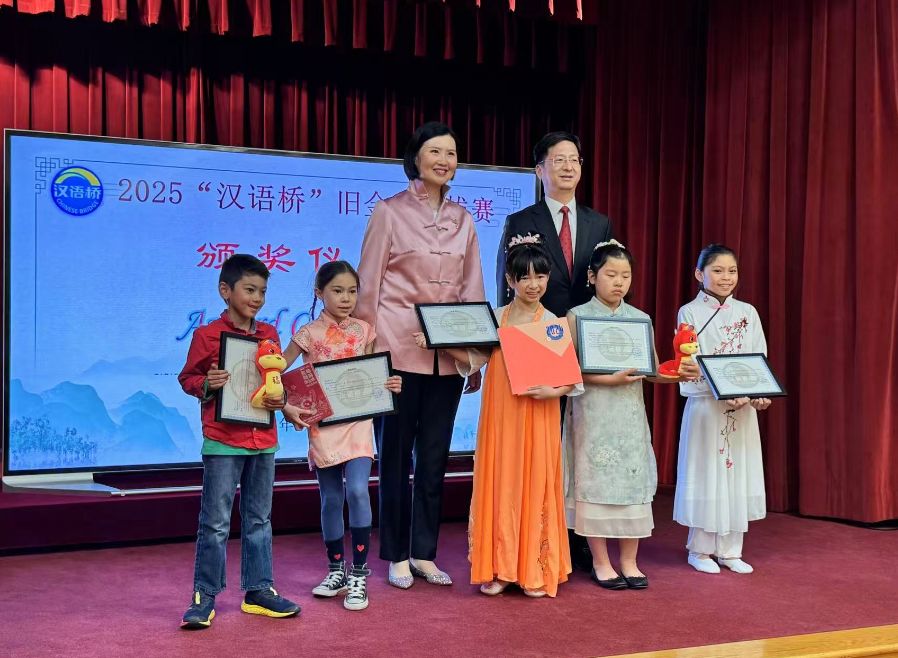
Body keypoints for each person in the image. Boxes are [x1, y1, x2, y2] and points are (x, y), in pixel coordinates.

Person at [355, 121, 486, 589]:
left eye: (451, 153)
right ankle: (395, 554)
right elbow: (368, 285)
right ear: (415, 158)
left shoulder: (464, 219)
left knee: (434, 459)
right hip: (395, 351)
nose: (444, 160)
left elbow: (472, 288)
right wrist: (367, 354)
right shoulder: (388, 211)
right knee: (393, 458)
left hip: (446, 359)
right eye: (435, 151)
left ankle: (424, 553)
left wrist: (473, 354)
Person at [432, 234, 577, 598]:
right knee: (502, 484)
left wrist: (552, 392)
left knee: (536, 482)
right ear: (510, 280)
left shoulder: (553, 322)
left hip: (539, 415)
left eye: (540, 276)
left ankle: (533, 568)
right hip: (502, 416)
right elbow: (476, 359)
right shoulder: (496, 319)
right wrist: (439, 342)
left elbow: (569, 379)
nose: (533, 284)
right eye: (524, 277)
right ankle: (499, 567)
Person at [497, 131, 613, 570]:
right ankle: (539, 533)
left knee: (582, 437)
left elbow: (605, 281)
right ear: (539, 170)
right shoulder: (521, 220)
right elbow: (506, 285)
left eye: (574, 159)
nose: (567, 167)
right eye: (558, 160)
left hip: (584, 342)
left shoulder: (599, 223)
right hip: (536, 342)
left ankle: (578, 532)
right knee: (542, 440)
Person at [178, 254, 303, 629]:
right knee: (215, 523)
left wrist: (280, 400)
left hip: (263, 439)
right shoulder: (207, 335)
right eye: (250, 290)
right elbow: (188, 379)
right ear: (225, 290)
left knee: (259, 519)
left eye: (262, 291)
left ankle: (259, 591)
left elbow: (274, 383)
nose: (257, 298)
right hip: (223, 440)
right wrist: (207, 384)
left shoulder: (270, 335)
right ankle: (204, 596)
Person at [564, 239, 696, 590]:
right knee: (594, 481)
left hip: (629, 415)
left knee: (631, 482)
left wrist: (676, 374)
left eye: (625, 275)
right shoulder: (576, 316)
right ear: (592, 276)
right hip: (592, 413)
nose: (619, 282)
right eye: (611, 274)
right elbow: (569, 371)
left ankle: (629, 561)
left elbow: (651, 370)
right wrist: (607, 379)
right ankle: (600, 561)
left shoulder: (640, 319)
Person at [281, 260, 402, 612]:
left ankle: (359, 574)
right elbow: (278, 369)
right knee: (331, 499)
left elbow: (376, 373)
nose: (346, 298)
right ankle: (336, 570)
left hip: (358, 422)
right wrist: (285, 401)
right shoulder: (307, 334)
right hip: (323, 425)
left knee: (358, 490)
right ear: (319, 292)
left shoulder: (365, 331)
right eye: (337, 291)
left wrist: (391, 383)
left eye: (352, 291)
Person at [674, 244, 772, 574]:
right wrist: (721, 390)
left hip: (740, 409)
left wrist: (755, 392)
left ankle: (731, 550)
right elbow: (688, 361)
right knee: (706, 472)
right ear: (699, 274)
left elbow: (759, 357)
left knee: (736, 472)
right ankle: (700, 549)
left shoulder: (748, 312)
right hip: (706, 406)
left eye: (732, 271)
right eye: (717, 270)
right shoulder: (689, 312)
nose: (726, 277)